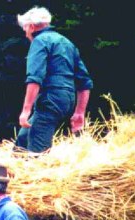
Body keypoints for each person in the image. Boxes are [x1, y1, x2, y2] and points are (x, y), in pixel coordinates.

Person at [15, 6, 93, 153]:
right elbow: (85, 82)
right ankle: (14, 166)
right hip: (68, 100)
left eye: (25, 28)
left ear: (31, 27)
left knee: (37, 151)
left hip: (50, 99)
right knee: (23, 139)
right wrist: (79, 113)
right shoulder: (67, 43)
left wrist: (26, 111)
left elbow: (34, 78)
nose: (25, 34)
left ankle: (37, 167)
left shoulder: (39, 41)